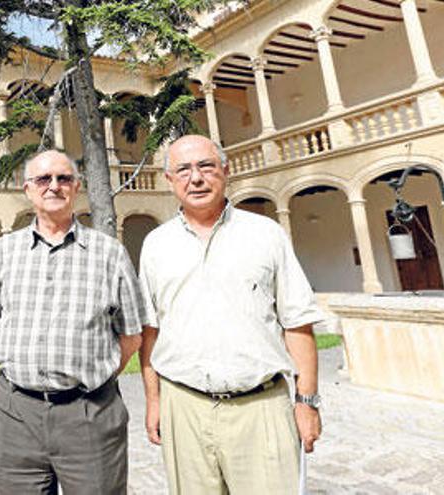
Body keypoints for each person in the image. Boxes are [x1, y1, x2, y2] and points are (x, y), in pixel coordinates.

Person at [138, 135, 324, 494]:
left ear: (225, 170)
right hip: (184, 407)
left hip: (261, 407)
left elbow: (297, 322)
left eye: (206, 166)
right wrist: (154, 401)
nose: (196, 178)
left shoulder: (265, 234)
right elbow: (151, 331)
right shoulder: (155, 245)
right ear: (169, 180)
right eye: (183, 170)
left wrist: (307, 403)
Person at [0, 150, 146, 494]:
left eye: (63, 178)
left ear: (77, 187)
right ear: (27, 188)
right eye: (43, 179)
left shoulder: (109, 252)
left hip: (88, 413)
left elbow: (131, 333)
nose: (53, 186)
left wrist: (94, 376)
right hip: (15, 415)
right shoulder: (2, 251)